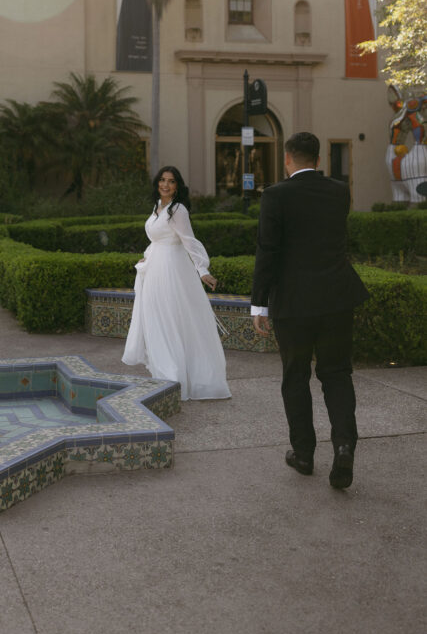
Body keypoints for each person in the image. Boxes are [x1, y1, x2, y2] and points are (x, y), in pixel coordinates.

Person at [251, 131, 369, 489]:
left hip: (294, 302)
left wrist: (259, 303)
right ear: (319, 160)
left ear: (288, 159)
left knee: (296, 376)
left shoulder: (275, 195)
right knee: (337, 374)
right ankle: (344, 448)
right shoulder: (338, 192)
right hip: (336, 297)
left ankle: (303, 455)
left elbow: (267, 251)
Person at [122, 166, 231, 401]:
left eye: (171, 181)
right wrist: (147, 256)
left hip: (172, 271)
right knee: (157, 320)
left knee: (171, 319)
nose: (165, 185)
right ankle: (165, 374)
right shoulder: (157, 208)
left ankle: (174, 376)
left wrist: (203, 270)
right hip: (154, 271)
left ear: (177, 186)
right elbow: (157, 239)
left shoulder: (177, 210)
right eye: (162, 180)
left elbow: (189, 241)